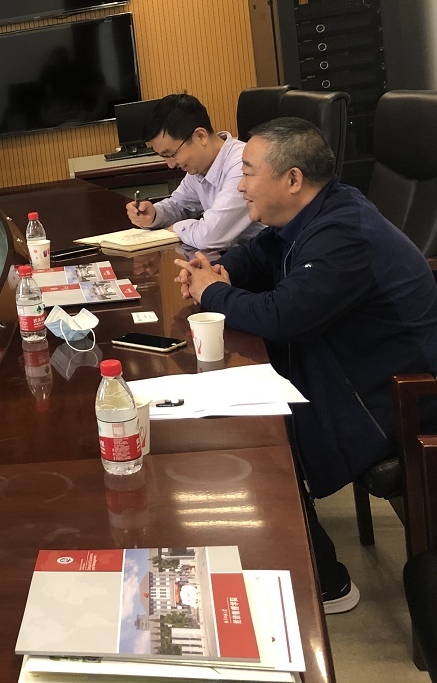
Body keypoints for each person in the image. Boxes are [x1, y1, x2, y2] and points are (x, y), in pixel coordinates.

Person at [174, 117, 437, 614]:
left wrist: (213, 293)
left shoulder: (344, 231)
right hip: (354, 369)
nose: (240, 185)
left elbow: (283, 316)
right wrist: (223, 271)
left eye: (249, 172)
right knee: (243, 414)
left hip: (395, 397)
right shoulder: (314, 213)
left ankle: (322, 581)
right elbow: (259, 253)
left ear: (292, 179)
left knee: (255, 434)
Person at [126, 92, 263, 251]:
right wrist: (155, 214)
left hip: (266, 259)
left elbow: (210, 236)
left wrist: (177, 228)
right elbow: (179, 206)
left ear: (200, 136)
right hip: (235, 256)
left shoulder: (242, 164)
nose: (170, 165)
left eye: (172, 154)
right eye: (164, 157)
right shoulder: (200, 167)